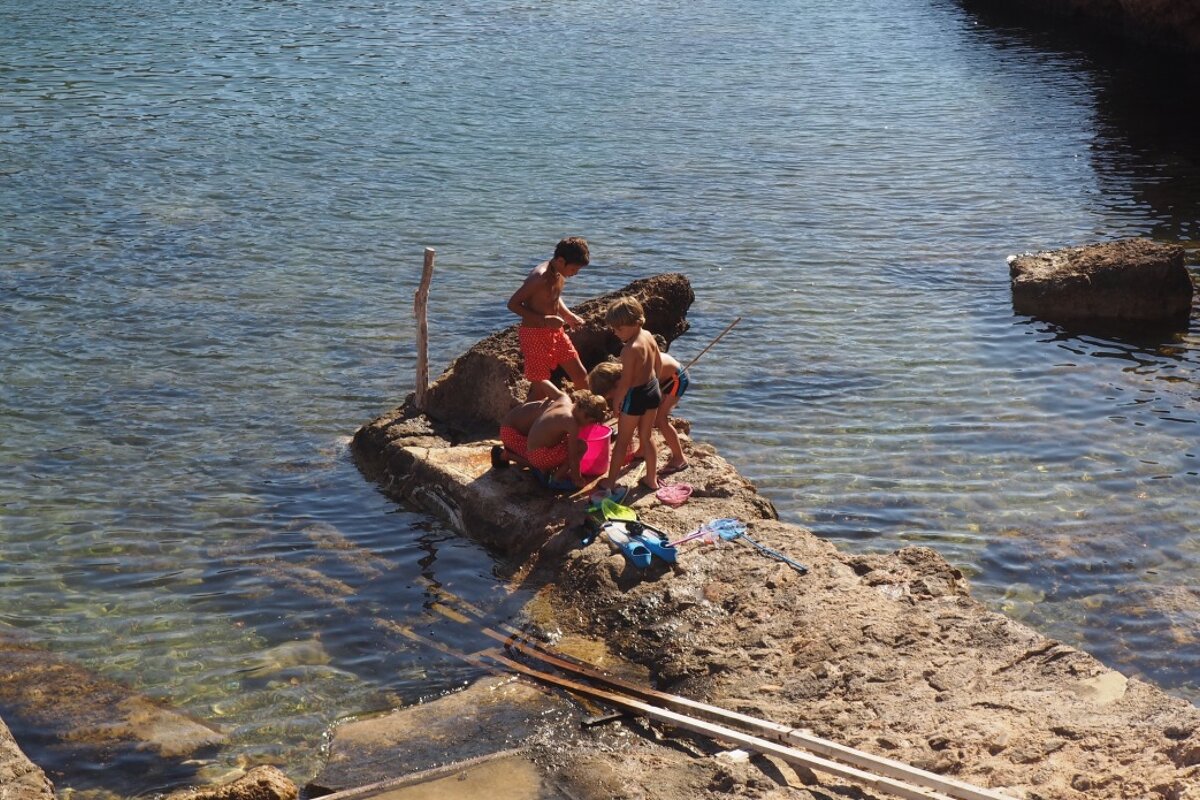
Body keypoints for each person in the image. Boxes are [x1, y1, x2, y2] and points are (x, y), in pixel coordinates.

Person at [507, 237, 591, 393]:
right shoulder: (539, 277)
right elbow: (513, 304)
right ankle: (527, 416)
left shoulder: (559, 274)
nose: (575, 273)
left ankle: (586, 413)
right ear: (560, 260)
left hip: (556, 333)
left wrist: (568, 315)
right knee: (540, 389)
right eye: (574, 269)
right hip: (534, 336)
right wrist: (544, 320)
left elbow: (554, 297)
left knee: (580, 375)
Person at [492, 381, 609, 489]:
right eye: (589, 424)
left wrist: (547, 399)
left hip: (530, 444)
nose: (585, 426)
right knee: (582, 446)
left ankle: (542, 468)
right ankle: (556, 479)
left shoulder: (564, 399)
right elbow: (573, 457)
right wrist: (577, 478)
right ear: (588, 417)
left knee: (562, 442)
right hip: (523, 443)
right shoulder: (572, 423)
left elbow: (543, 381)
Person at [600, 297, 662, 496]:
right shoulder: (649, 336)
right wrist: (655, 383)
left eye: (619, 329)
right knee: (647, 436)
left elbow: (625, 382)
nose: (615, 333)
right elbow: (658, 364)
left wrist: (617, 402)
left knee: (623, 440)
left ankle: (610, 482)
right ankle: (651, 479)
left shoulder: (629, 349)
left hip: (635, 396)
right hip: (653, 389)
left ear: (635, 322)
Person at [653, 335, 690, 475]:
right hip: (663, 377)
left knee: (660, 419)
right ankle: (643, 450)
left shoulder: (642, 369)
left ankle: (679, 458)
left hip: (677, 379)